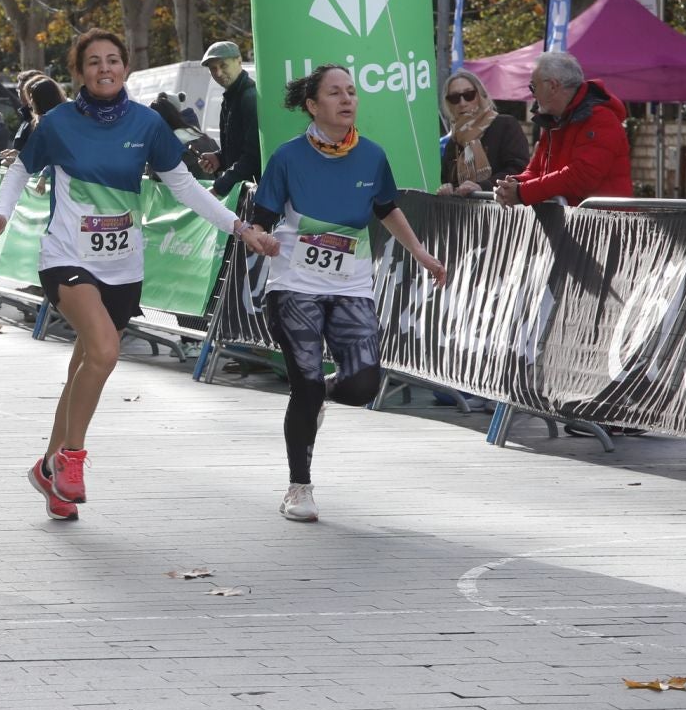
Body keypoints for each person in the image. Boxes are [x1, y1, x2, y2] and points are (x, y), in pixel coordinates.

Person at [0, 29, 278, 521]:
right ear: (79, 72)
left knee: (85, 366)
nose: (105, 69)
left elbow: (185, 187)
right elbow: (20, 170)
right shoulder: (57, 122)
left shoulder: (147, 124)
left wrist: (240, 227)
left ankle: (48, 470)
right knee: (103, 350)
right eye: (94, 62)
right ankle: (72, 461)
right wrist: (0, 214)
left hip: (122, 266)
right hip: (67, 256)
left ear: (124, 68)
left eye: (114, 60)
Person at [251, 64, 448, 522]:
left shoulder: (372, 156)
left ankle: (320, 396)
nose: (346, 100)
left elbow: (385, 208)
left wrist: (420, 252)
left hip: (351, 285)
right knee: (303, 381)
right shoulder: (287, 157)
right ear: (312, 105)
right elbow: (261, 215)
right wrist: (257, 235)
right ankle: (299, 487)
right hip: (295, 283)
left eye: (352, 92)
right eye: (334, 93)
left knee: (361, 385)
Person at [492, 52, 632, 207]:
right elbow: (536, 172)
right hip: (577, 224)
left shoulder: (601, 119)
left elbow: (582, 177)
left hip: (604, 226)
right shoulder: (554, 121)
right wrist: (514, 184)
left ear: (552, 86)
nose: (533, 94)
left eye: (534, 86)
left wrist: (521, 192)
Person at [436, 67, 529, 195]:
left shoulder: (504, 125)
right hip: (465, 212)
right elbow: (448, 179)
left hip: (502, 208)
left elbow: (518, 169)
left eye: (468, 95)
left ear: (481, 96)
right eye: (454, 98)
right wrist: (448, 188)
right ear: (449, 104)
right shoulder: (453, 142)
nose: (462, 103)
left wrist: (483, 187)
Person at [197, 41, 260, 199]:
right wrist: (219, 158)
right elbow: (240, 150)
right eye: (213, 68)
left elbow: (254, 156)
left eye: (223, 65)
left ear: (239, 61)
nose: (218, 73)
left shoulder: (250, 97)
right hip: (248, 192)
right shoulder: (231, 98)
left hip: (258, 194)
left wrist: (219, 188)